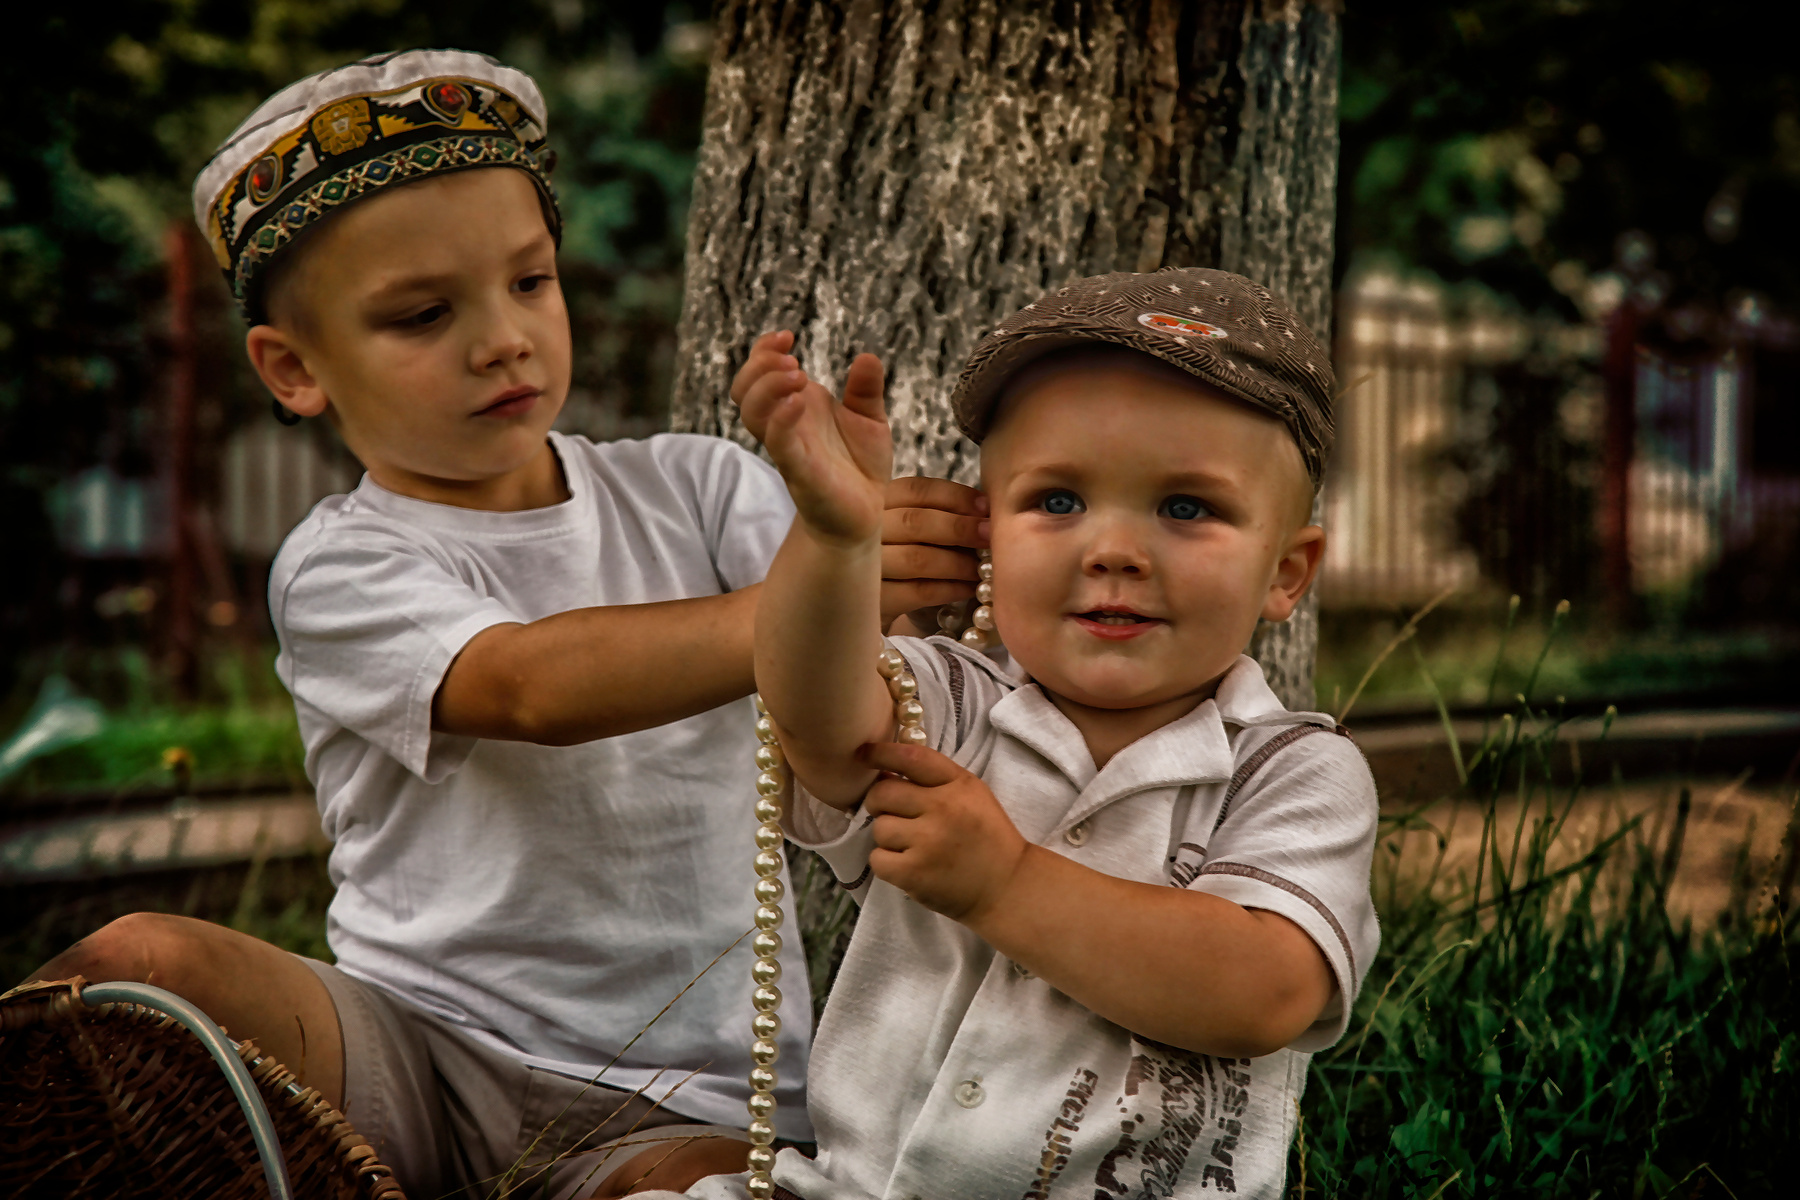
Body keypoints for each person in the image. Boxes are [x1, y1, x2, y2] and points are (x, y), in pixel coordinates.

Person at [18, 49, 985, 1199]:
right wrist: (818, 583)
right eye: (425, 314)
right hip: (412, 1049)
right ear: (293, 370)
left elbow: (852, 696)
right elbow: (529, 687)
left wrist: (896, 571)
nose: (503, 339)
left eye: (531, 282)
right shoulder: (341, 561)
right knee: (137, 963)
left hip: (678, 1093)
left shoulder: (700, 488)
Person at [709, 267, 1380, 1199]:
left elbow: (1265, 991)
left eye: (1187, 508)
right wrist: (832, 546)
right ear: (990, 535)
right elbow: (821, 719)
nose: (1113, 551)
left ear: (1286, 572)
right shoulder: (954, 703)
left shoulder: (1293, 770)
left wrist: (1004, 883)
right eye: (1059, 501)